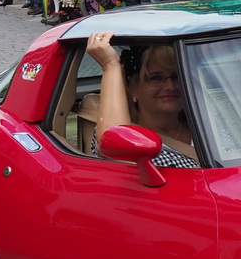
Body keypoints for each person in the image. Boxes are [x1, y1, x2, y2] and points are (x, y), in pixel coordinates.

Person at [84, 33, 200, 168]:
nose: (170, 86)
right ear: (132, 87)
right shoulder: (126, 135)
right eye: (156, 78)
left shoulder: (207, 127)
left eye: (177, 77)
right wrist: (111, 65)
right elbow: (114, 145)